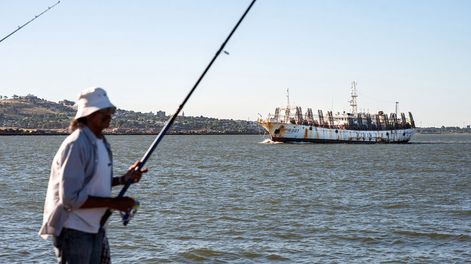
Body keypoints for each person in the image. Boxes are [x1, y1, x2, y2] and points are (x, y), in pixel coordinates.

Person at [39, 87, 147, 263]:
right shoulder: (76, 145)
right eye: (102, 111)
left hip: (96, 228)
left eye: (109, 110)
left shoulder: (102, 143)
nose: (108, 115)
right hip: (74, 230)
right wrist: (115, 203)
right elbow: (70, 198)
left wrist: (124, 179)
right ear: (87, 114)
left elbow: (92, 184)